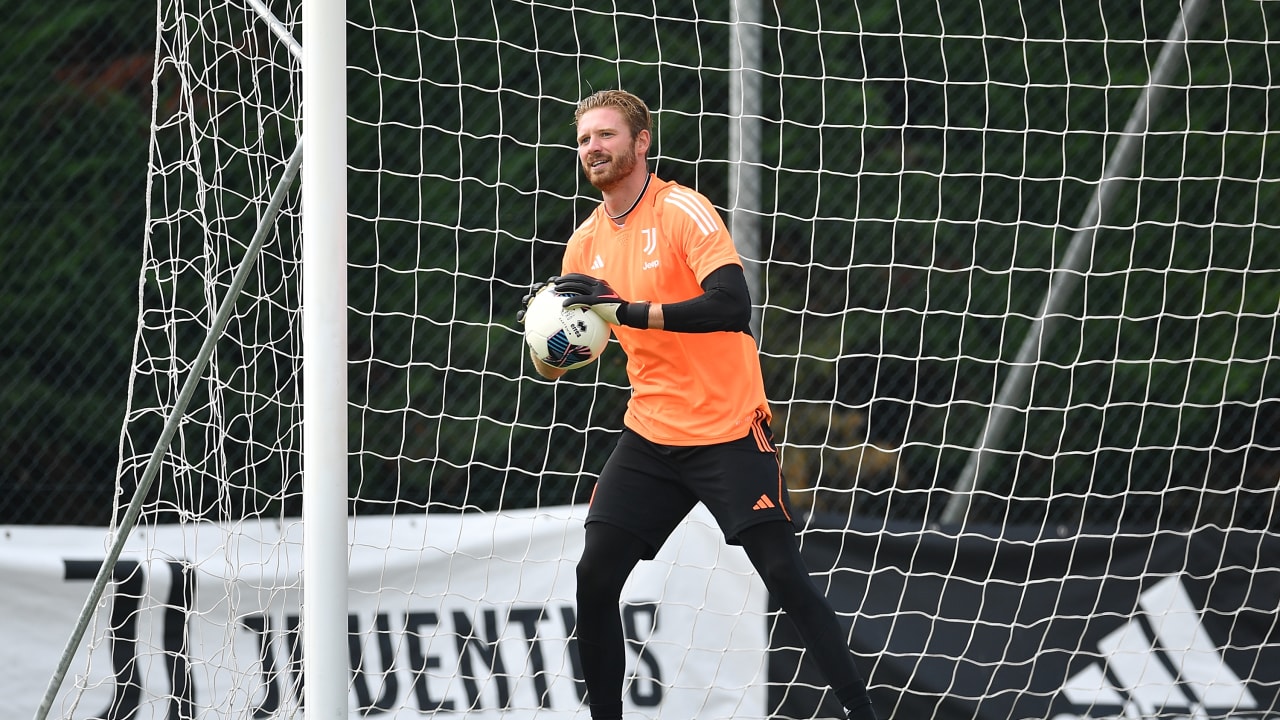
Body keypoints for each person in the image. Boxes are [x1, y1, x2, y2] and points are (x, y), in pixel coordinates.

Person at [520, 89, 879, 720]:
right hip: (652, 432)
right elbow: (580, 348)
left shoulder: (684, 210)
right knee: (595, 576)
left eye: (606, 135)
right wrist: (548, 349)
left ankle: (861, 710)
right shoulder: (584, 245)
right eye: (583, 140)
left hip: (726, 427)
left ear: (641, 141)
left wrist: (625, 310)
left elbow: (731, 306)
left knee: (783, 574)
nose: (593, 148)